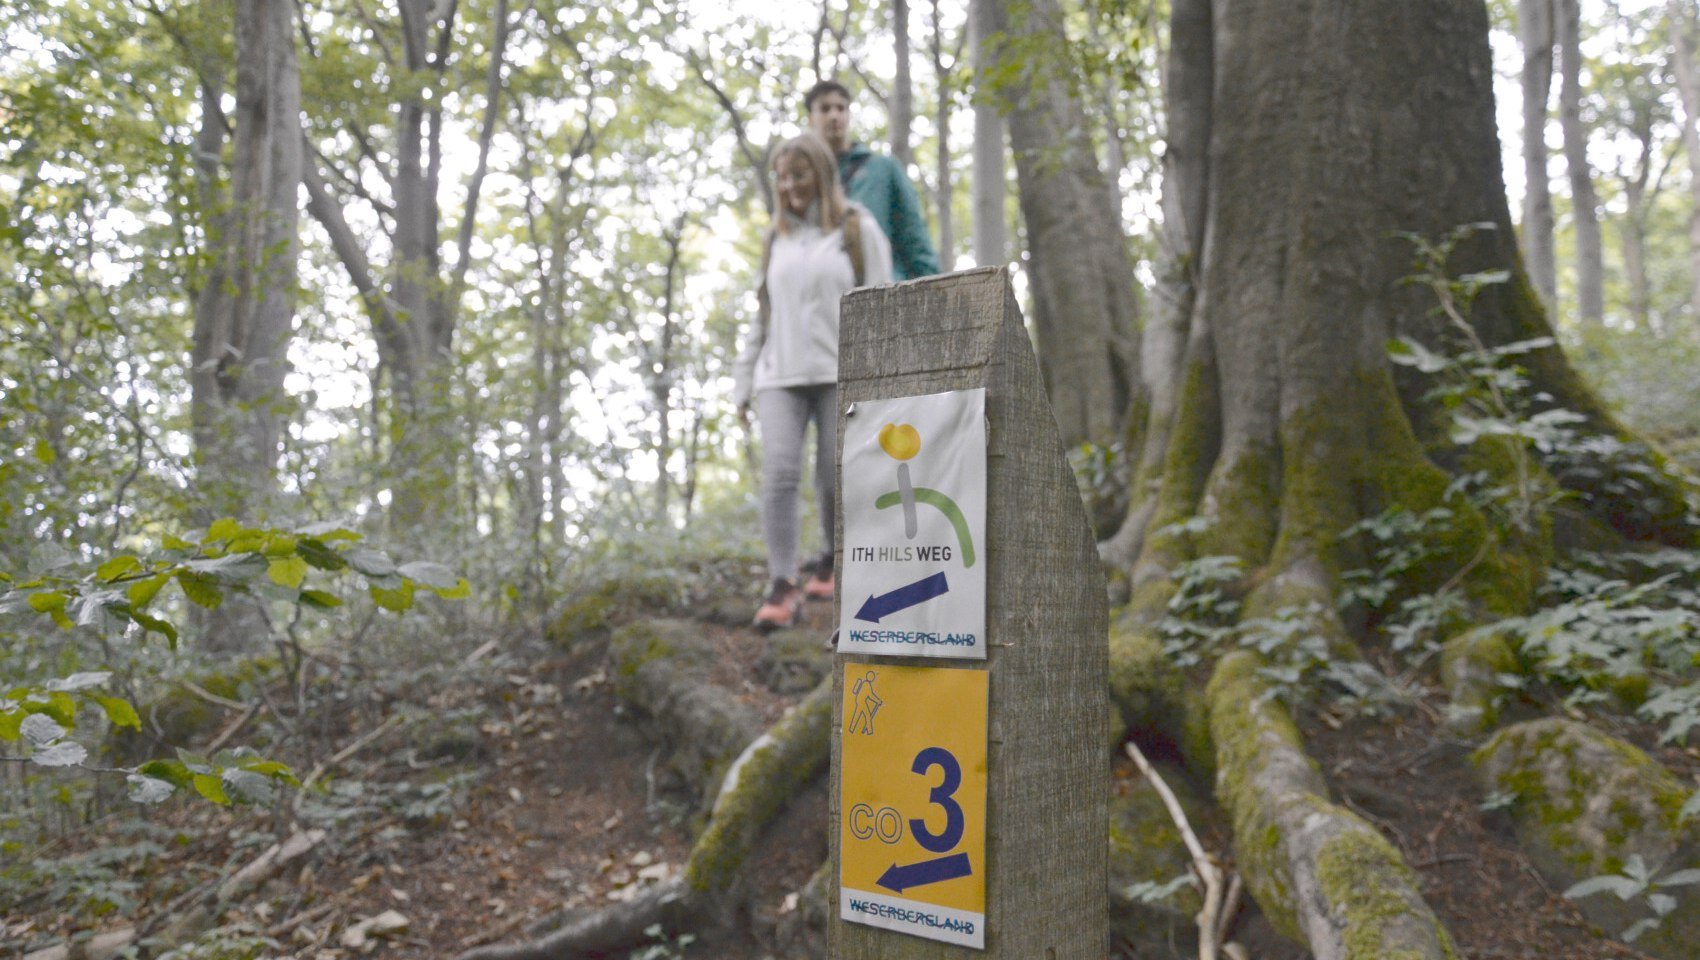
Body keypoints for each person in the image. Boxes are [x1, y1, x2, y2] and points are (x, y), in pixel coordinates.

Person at [733, 132, 893, 630]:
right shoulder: (774, 237)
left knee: (831, 473)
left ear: (821, 173)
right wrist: (743, 380)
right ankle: (782, 585)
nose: (790, 186)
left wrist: (883, 372)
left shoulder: (856, 229)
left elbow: (883, 301)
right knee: (780, 474)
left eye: (799, 175)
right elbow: (763, 313)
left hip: (838, 371)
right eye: (782, 177)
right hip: (779, 374)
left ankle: (830, 559)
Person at [804, 79, 940, 281]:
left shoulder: (883, 168)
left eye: (841, 108)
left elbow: (913, 235)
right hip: (824, 296)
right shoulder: (802, 180)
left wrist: (934, 286)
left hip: (882, 290)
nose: (834, 115)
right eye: (825, 109)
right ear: (811, 119)